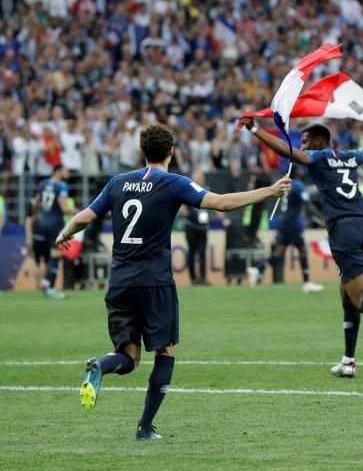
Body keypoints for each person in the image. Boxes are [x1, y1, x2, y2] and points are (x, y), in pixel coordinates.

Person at [55, 123, 291, 442]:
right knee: (165, 352)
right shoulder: (173, 182)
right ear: (171, 152)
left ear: (142, 152)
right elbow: (220, 203)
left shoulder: (117, 182)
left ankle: (101, 365)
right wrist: (269, 191)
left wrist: (64, 233)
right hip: (155, 282)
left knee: (129, 356)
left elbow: (84, 216)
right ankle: (144, 428)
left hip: (120, 281)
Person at [239, 116, 363, 378]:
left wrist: (255, 129)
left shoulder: (321, 157)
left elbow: (288, 152)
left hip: (343, 230)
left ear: (318, 140)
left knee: (360, 300)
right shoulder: (349, 156)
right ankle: (348, 361)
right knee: (346, 294)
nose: (302, 146)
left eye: (305, 141)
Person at [268, 169, 324, 293]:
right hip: (293, 223)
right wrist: (322, 218)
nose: (302, 171)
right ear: (295, 173)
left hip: (283, 222)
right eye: (300, 169)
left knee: (278, 253)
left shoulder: (287, 185)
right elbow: (308, 204)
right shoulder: (298, 184)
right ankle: (306, 282)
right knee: (303, 251)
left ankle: (258, 269)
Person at [32, 164, 77, 298]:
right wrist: (76, 211)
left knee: (47, 256)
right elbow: (64, 209)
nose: (68, 172)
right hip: (55, 223)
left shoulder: (43, 183)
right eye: (65, 170)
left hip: (41, 223)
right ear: (58, 171)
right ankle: (48, 283)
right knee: (56, 254)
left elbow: (36, 203)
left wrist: (36, 216)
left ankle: (48, 285)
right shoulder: (62, 186)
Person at [184, 170, 212, 285]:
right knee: (191, 253)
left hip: (203, 228)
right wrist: (186, 213)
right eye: (197, 177)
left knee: (202, 253)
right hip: (191, 226)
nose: (200, 179)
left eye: (201, 177)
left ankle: (202, 278)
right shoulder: (188, 189)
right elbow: (181, 204)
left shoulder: (207, 189)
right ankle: (193, 279)